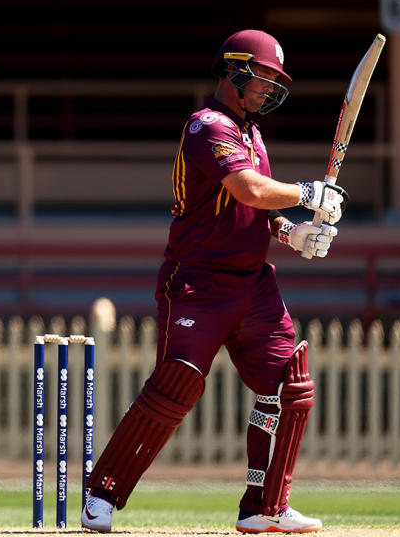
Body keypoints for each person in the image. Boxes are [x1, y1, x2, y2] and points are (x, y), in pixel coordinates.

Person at [80, 30, 346, 534]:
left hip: (253, 285)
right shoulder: (207, 126)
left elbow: (255, 208)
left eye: (274, 80)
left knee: (290, 387)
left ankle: (264, 506)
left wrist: (292, 232)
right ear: (234, 71)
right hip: (198, 282)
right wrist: (307, 192)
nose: (269, 88)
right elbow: (247, 187)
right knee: (175, 387)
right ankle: (102, 495)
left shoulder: (252, 133)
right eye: (264, 77)